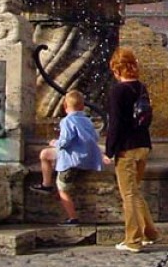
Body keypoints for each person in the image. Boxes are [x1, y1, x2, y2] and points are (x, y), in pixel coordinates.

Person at [104, 47, 160, 253]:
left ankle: (133, 240)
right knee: (135, 191)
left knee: (128, 194)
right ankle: (149, 233)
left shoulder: (118, 91)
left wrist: (109, 151)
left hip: (126, 148)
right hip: (143, 144)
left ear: (116, 69)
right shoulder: (141, 87)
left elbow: (115, 124)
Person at [29, 90, 103, 226]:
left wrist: (55, 143)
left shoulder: (67, 121)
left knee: (62, 189)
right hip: (85, 157)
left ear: (64, 106)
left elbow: (65, 142)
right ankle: (46, 184)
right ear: (83, 106)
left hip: (71, 160)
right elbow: (96, 137)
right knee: (45, 154)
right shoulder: (87, 121)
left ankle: (72, 218)